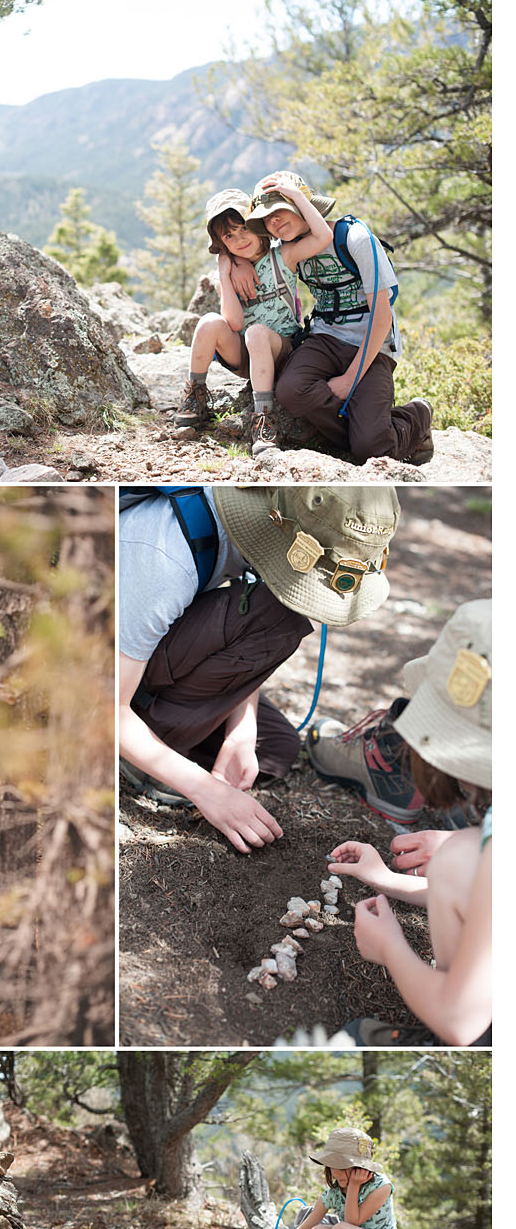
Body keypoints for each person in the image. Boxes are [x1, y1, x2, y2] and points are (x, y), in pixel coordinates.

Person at [119, 485, 399, 855]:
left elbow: (244, 606)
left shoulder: (274, 522)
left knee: (276, 751)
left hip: (158, 660)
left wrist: (241, 733)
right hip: (105, 682)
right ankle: (143, 755)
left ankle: (170, 749)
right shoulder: (163, 559)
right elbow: (106, 708)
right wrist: (206, 791)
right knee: (277, 615)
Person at [329, 598, 492, 1046]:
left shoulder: (477, 855)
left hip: (475, 1022)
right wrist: (387, 880)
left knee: (458, 860)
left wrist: (392, 950)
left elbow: (461, 1021)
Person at [249, 170, 433, 468]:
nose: (274, 221)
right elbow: (245, 254)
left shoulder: (356, 238)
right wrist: (227, 263)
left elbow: (382, 317)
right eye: (266, 218)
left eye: (280, 209)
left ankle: (414, 416)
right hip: (325, 339)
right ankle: (366, 430)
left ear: (302, 204)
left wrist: (350, 380)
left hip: (372, 347)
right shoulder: (290, 250)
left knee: (373, 452)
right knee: (290, 390)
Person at [173, 186, 301, 445]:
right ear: (222, 245)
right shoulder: (229, 269)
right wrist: (224, 271)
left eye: (244, 228)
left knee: (256, 333)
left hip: (281, 350)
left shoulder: (281, 254)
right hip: (246, 356)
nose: (240, 238)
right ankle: (195, 395)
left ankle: (263, 416)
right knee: (209, 322)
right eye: (229, 236)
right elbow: (233, 323)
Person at [251, 1130, 398, 1229]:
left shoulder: (381, 1186)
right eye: (332, 1166)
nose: (336, 1173)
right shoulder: (333, 1193)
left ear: (361, 1168)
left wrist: (354, 1185)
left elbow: (353, 1221)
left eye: (342, 1167)